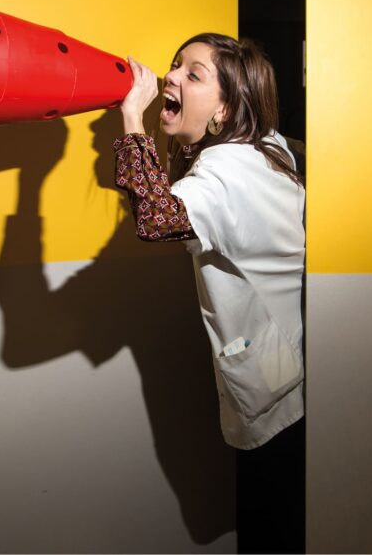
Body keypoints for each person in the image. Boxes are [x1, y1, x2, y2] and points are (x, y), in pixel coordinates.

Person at [113, 33, 306, 552]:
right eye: (175, 65)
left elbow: (156, 219)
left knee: (273, 522)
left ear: (224, 108)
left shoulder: (226, 170)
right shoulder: (266, 149)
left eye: (192, 74)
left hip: (278, 390)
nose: (169, 77)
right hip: (291, 367)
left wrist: (133, 117)